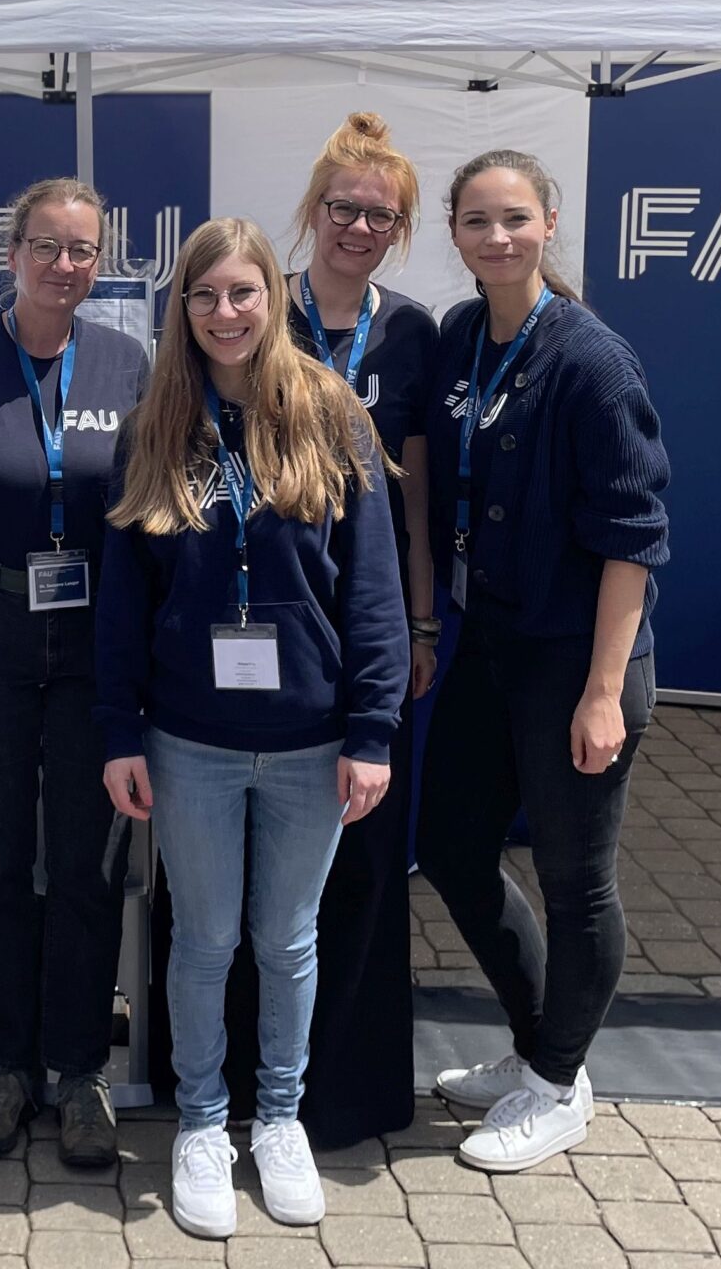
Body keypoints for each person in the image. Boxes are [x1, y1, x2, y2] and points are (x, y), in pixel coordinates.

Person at [95, 217, 409, 1242]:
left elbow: (372, 590)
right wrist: (119, 734)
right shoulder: (155, 426)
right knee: (205, 939)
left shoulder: (330, 416)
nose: (224, 313)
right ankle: (199, 1122)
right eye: (203, 296)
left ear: (271, 300)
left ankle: (277, 1118)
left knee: (286, 939)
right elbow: (120, 606)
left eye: (242, 293)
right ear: (179, 311)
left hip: (314, 741)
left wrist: (371, 729)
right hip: (188, 740)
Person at [416, 149, 669, 1173]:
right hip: (492, 642)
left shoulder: (592, 361)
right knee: (449, 846)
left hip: (577, 658)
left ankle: (557, 1083)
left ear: (549, 223)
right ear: (455, 233)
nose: (496, 238)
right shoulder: (460, 335)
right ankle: (537, 1046)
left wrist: (603, 692)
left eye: (514, 218)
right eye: (477, 221)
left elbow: (632, 538)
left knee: (577, 882)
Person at [0, 178, 150, 1165]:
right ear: (9, 256)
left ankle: (81, 1067)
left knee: (89, 865)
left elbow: (146, 522)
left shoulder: (130, 362)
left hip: (94, 638)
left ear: (100, 262)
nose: (63, 266)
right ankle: (5, 1064)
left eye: (82, 250)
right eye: (45, 247)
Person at [283, 112, 437, 1145]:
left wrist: (421, 623)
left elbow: (416, 497)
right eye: (343, 208)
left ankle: (350, 1087)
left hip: (374, 626)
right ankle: (242, 1077)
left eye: (380, 216)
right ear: (312, 210)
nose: (358, 228)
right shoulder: (258, 312)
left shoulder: (413, 333)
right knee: (262, 861)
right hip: (270, 629)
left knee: (368, 856)